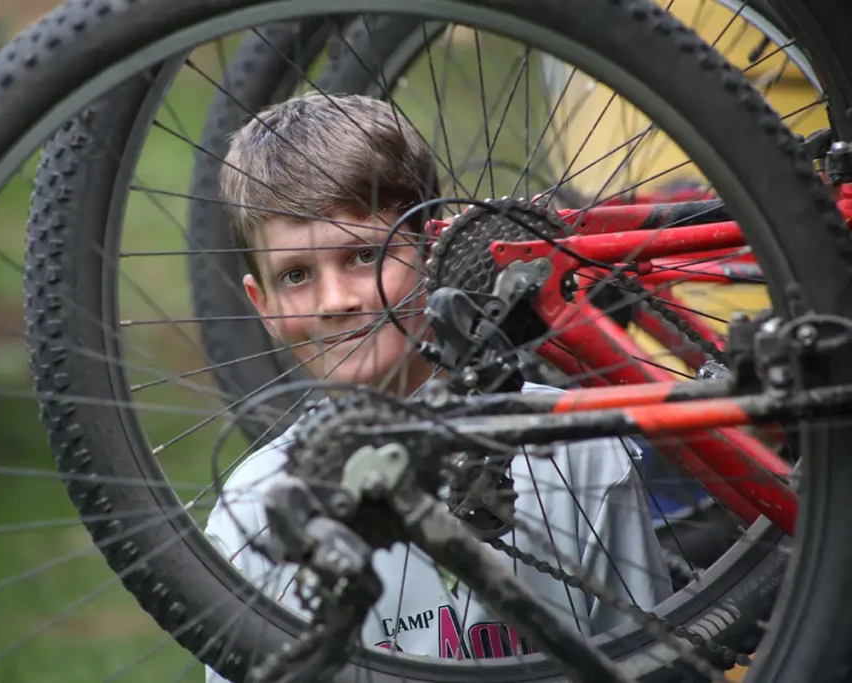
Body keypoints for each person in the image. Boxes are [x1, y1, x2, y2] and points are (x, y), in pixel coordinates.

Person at [204, 93, 672, 677]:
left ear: (435, 252)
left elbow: (653, 661)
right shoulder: (251, 511)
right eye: (296, 275)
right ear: (264, 305)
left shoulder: (578, 446)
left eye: (364, 255)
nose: (336, 300)